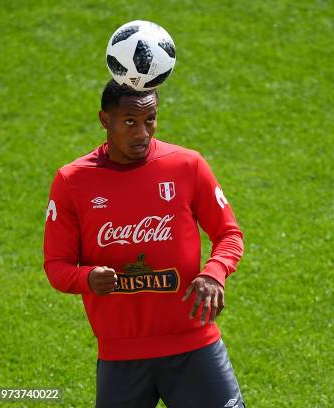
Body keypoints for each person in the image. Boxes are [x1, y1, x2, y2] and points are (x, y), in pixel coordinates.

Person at [43, 79, 245, 408]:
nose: (142, 133)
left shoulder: (187, 165)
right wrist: (87, 279)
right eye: (129, 122)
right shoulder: (72, 181)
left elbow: (228, 234)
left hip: (194, 346)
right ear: (105, 120)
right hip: (121, 354)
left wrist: (214, 272)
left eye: (149, 119)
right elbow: (56, 265)